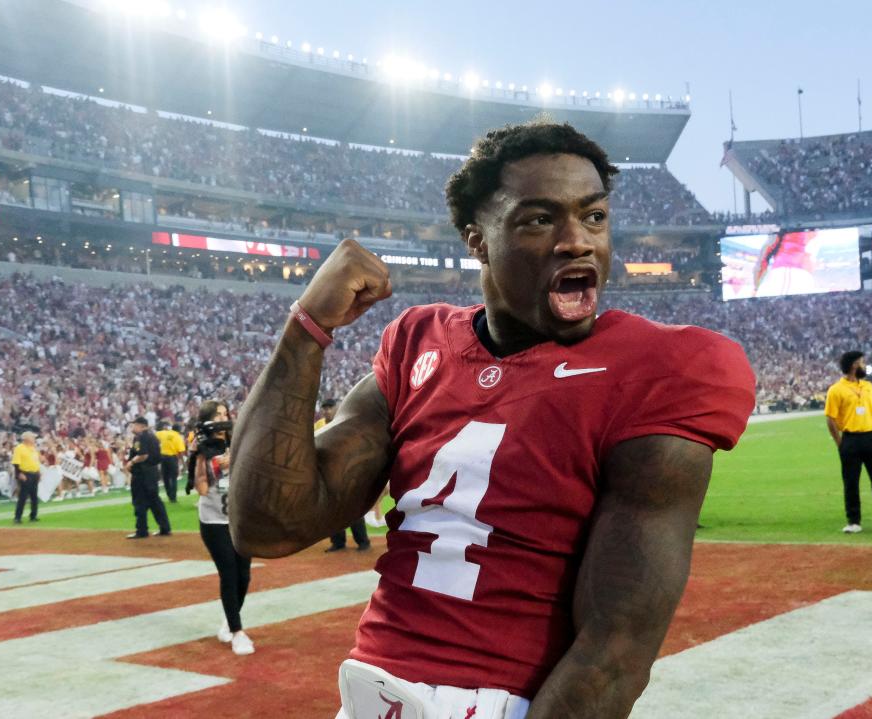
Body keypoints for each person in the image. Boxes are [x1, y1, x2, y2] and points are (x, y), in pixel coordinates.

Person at [229, 120, 756, 719]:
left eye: (594, 217)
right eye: (538, 219)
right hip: (371, 697)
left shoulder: (661, 368)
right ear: (476, 239)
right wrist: (306, 330)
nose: (577, 241)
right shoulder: (415, 345)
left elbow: (616, 652)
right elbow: (266, 526)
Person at [191, 400, 255, 656]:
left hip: (239, 519)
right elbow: (203, 488)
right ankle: (237, 631)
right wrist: (205, 460)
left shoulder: (237, 440)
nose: (222, 418)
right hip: (214, 520)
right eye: (216, 414)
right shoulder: (203, 448)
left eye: (224, 413)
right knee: (229, 573)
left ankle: (229, 620)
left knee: (244, 576)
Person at [824, 350, 872, 534]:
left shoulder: (868, 387)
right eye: (862, 362)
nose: (864, 365)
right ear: (854, 365)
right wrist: (840, 443)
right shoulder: (836, 390)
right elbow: (830, 418)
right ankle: (854, 521)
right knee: (851, 482)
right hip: (850, 439)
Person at [318, 399, 372, 553]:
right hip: (327, 475)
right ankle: (338, 542)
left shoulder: (345, 423)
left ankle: (363, 541)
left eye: (329, 408)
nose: (326, 411)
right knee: (331, 512)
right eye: (324, 408)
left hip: (347, 473)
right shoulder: (318, 426)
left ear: (337, 408)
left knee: (353, 510)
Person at [125, 416, 171, 539]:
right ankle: (164, 527)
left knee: (140, 501)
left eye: (134, 425)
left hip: (143, 473)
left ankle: (142, 530)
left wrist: (131, 462)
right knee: (154, 501)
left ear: (142, 426)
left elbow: (143, 455)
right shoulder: (151, 436)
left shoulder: (142, 437)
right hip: (151, 472)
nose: (132, 427)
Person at [11, 431, 42, 524]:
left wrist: (39, 472)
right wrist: (19, 473)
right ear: (27, 439)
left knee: (34, 497)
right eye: (33, 437)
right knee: (23, 497)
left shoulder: (33, 448)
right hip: (25, 474)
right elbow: (16, 463)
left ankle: (33, 515)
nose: (34, 439)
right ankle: (17, 517)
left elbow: (36, 461)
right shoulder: (19, 448)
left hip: (34, 473)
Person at [156, 420, 186, 503]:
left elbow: (156, 434)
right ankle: (173, 497)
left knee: (165, 477)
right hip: (172, 458)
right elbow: (180, 452)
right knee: (173, 478)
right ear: (179, 430)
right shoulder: (178, 437)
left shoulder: (164, 433)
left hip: (163, 457)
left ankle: (169, 494)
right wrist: (183, 464)